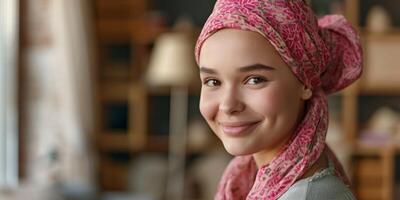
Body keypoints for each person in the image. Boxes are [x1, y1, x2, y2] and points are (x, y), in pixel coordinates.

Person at [194, 0, 363, 199]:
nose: (228, 105)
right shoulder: (248, 176)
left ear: (305, 82)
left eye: (255, 80)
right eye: (213, 81)